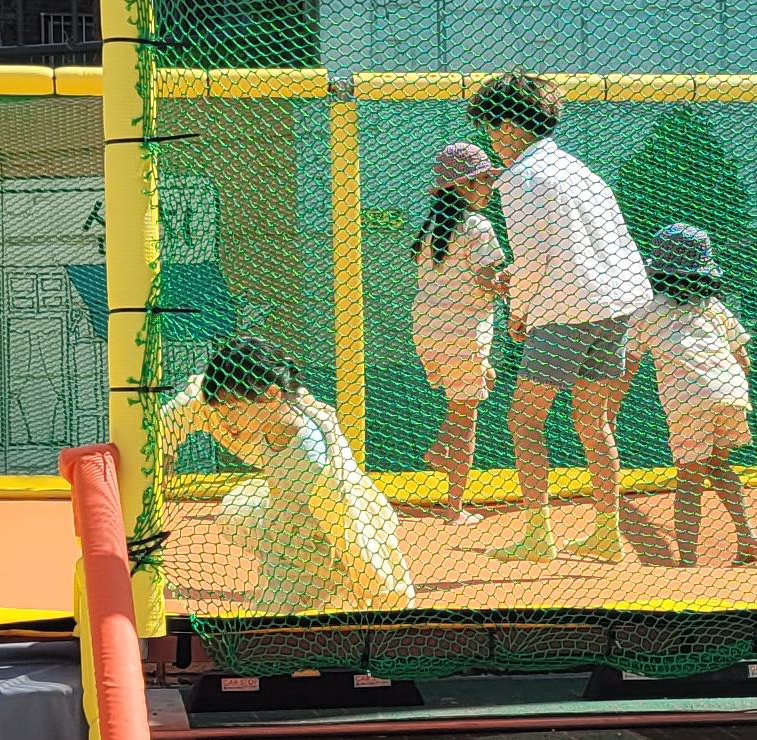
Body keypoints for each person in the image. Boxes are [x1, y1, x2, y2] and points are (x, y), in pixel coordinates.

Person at [469, 73, 653, 564]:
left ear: (509, 125)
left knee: (524, 420)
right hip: (616, 307)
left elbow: (536, 259)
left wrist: (519, 310)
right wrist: (523, 285)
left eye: (491, 127)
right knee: (593, 421)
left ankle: (538, 536)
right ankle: (607, 535)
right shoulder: (579, 170)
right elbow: (599, 245)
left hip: (565, 311)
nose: (492, 138)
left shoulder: (519, 179)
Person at [161, 333, 412, 613]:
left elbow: (356, 540)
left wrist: (385, 604)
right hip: (285, 527)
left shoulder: (314, 461)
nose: (224, 418)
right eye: (219, 409)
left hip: (321, 547)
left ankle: (327, 591)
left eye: (233, 408)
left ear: (271, 394)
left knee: (276, 627)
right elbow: (182, 411)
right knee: (235, 510)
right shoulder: (262, 416)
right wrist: (163, 458)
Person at [624, 224, 757, 565]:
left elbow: (630, 362)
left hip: (687, 398)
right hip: (730, 390)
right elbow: (744, 359)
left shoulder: (647, 310)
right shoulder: (713, 307)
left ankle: (687, 560)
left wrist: (611, 401)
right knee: (719, 464)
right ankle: (747, 536)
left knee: (688, 478)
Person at [410, 142, 506, 524]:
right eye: (484, 180)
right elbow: (486, 281)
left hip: (428, 330)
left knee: (475, 389)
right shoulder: (478, 226)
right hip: (464, 332)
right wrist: (513, 280)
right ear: (464, 186)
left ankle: (438, 448)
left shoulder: (432, 228)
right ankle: (454, 508)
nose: (490, 187)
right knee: (467, 420)